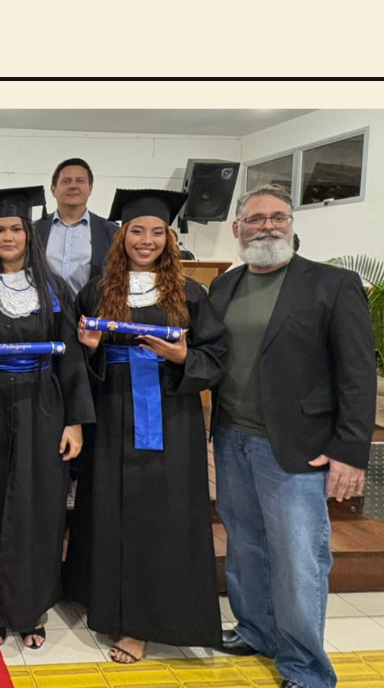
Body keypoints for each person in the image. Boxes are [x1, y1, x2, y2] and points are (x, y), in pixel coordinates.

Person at [209, 185, 376, 688]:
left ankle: (306, 668)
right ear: (238, 228)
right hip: (233, 438)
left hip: (298, 446)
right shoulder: (225, 285)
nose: (268, 226)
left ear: (292, 224)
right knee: (246, 545)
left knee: (299, 559)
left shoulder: (332, 284)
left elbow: (356, 374)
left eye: (278, 217)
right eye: (256, 218)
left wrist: (350, 451)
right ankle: (257, 630)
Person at [63, 188, 228, 664]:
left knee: (160, 514)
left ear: (169, 239)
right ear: (122, 236)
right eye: (137, 230)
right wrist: (91, 349)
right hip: (111, 412)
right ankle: (103, 600)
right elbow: (75, 357)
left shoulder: (190, 292)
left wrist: (183, 356)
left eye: (157, 232)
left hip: (171, 416)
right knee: (107, 506)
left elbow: (216, 356)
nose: (146, 240)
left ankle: (142, 623)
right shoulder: (98, 290)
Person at [0, 186, 95, 651]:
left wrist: (74, 421)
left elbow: (71, 358)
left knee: (39, 505)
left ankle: (32, 607)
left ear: (28, 234)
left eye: (16, 228)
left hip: (44, 403)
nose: (8, 236)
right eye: (0, 228)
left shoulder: (55, 289)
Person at [34, 158, 119, 298]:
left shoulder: (111, 232)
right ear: (53, 189)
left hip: (92, 309)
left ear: (90, 189)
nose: (73, 186)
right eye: (66, 181)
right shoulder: (34, 230)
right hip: (44, 309)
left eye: (80, 181)